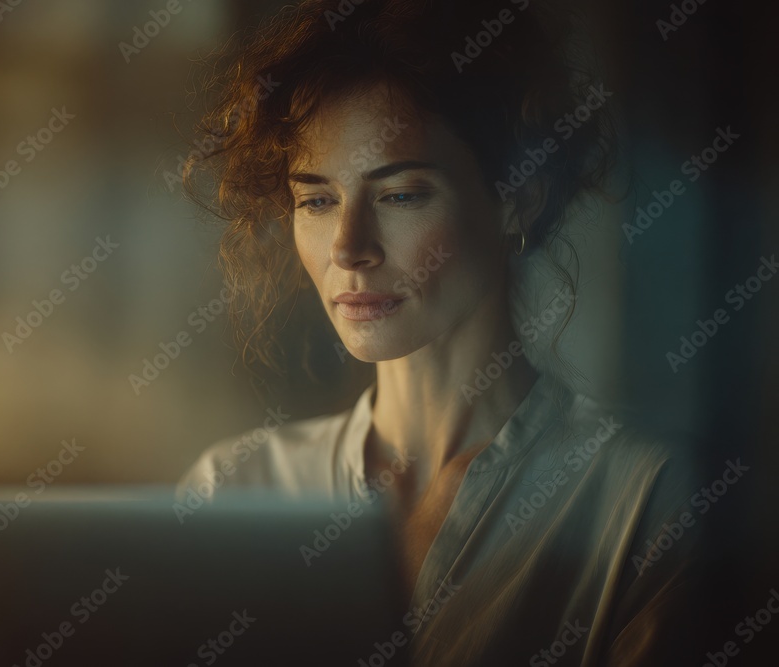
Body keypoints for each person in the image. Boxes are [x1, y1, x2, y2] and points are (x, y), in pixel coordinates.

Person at [176, 0, 703, 664]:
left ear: (519, 198)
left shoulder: (652, 502)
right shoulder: (233, 490)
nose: (348, 247)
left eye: (400, 194)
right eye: (316, 199)